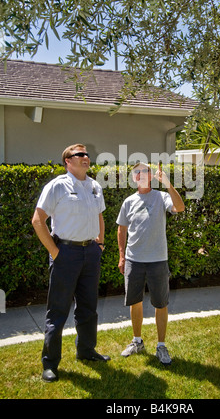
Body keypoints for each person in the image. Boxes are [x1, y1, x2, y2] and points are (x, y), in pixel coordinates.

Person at [32, 144, 110, 383]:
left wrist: (100, 244)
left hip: (91, 253)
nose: (86, 157)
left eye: (87, 154)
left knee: (88, 307)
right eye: (80, 155)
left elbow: (99, 216)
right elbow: (38, 220)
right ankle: (50, 364)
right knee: (58, 311)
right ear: (67, 161)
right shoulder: (57, 186)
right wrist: (55, 252)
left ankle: (86, 350)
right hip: (65, 253)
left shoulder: (95, 186)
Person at [116, 162, 185, 365]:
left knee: (160, 304)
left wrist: (168, 185)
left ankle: (161, 345)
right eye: (136, 172)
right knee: (135, 302)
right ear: (134, 178)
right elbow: (121, 230)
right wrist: (121, 256)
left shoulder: (161, 196)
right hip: (134, 260)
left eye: (145, 171)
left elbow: (179, 207)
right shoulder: (128, 201)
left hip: (157, 261)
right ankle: (137, 341)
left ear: (151, 176)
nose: (140, 174)